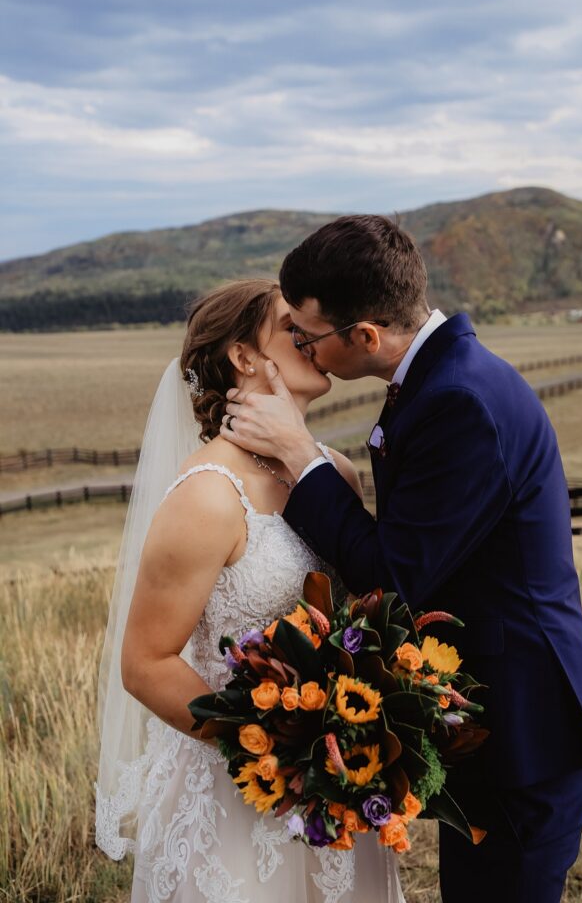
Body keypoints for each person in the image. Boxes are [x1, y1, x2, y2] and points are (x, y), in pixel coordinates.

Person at [220, 215, 582, 903]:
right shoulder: (443, 378)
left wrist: (297, 454)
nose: (301, 349)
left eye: (308, 335)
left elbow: (393, 576)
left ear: (366, 336)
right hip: (503, 720)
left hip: (530, 731)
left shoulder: (458, 400)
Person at [95, 278, 406, 903]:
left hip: (339, 780)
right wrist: (274, 753)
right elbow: (145, 664)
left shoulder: (333, 472)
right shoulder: (208, 494)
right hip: (240, 788)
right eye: (295, 331)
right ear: (243, 356)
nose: (315, 340)